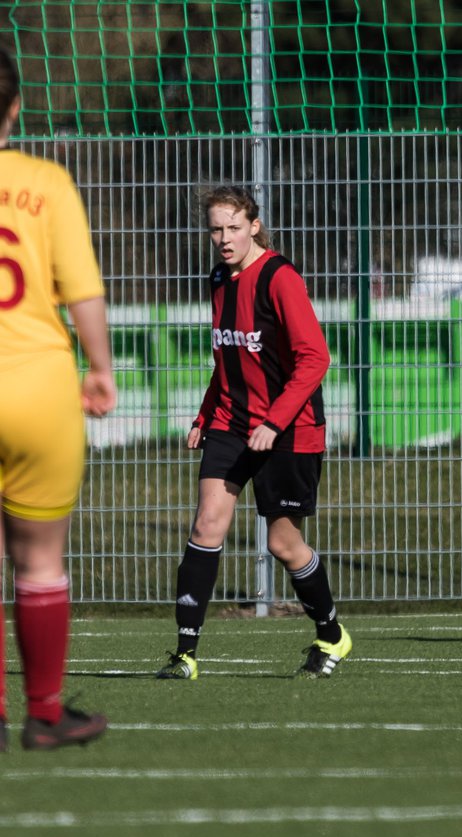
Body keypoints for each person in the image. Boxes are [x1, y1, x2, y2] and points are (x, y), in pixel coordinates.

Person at [156, 185, 351, 680]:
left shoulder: (280, 278)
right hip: (231, 424)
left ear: (254, 226)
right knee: (207, 525)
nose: (224, 238)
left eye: (233, 228)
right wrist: (205, 414)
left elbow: (315, 359)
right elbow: (228, 358)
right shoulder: (219, 277)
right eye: (216, 229)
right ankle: (184, 655)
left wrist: (273, 421)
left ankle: (331, 632)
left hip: (288, 428)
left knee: (285, 545)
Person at [0, 47, 114, 751]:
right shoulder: (46, 181)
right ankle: (44, 713)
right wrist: (99, 367)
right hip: (39, 389)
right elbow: (84, 292)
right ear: (14, 108)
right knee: (39, 561)